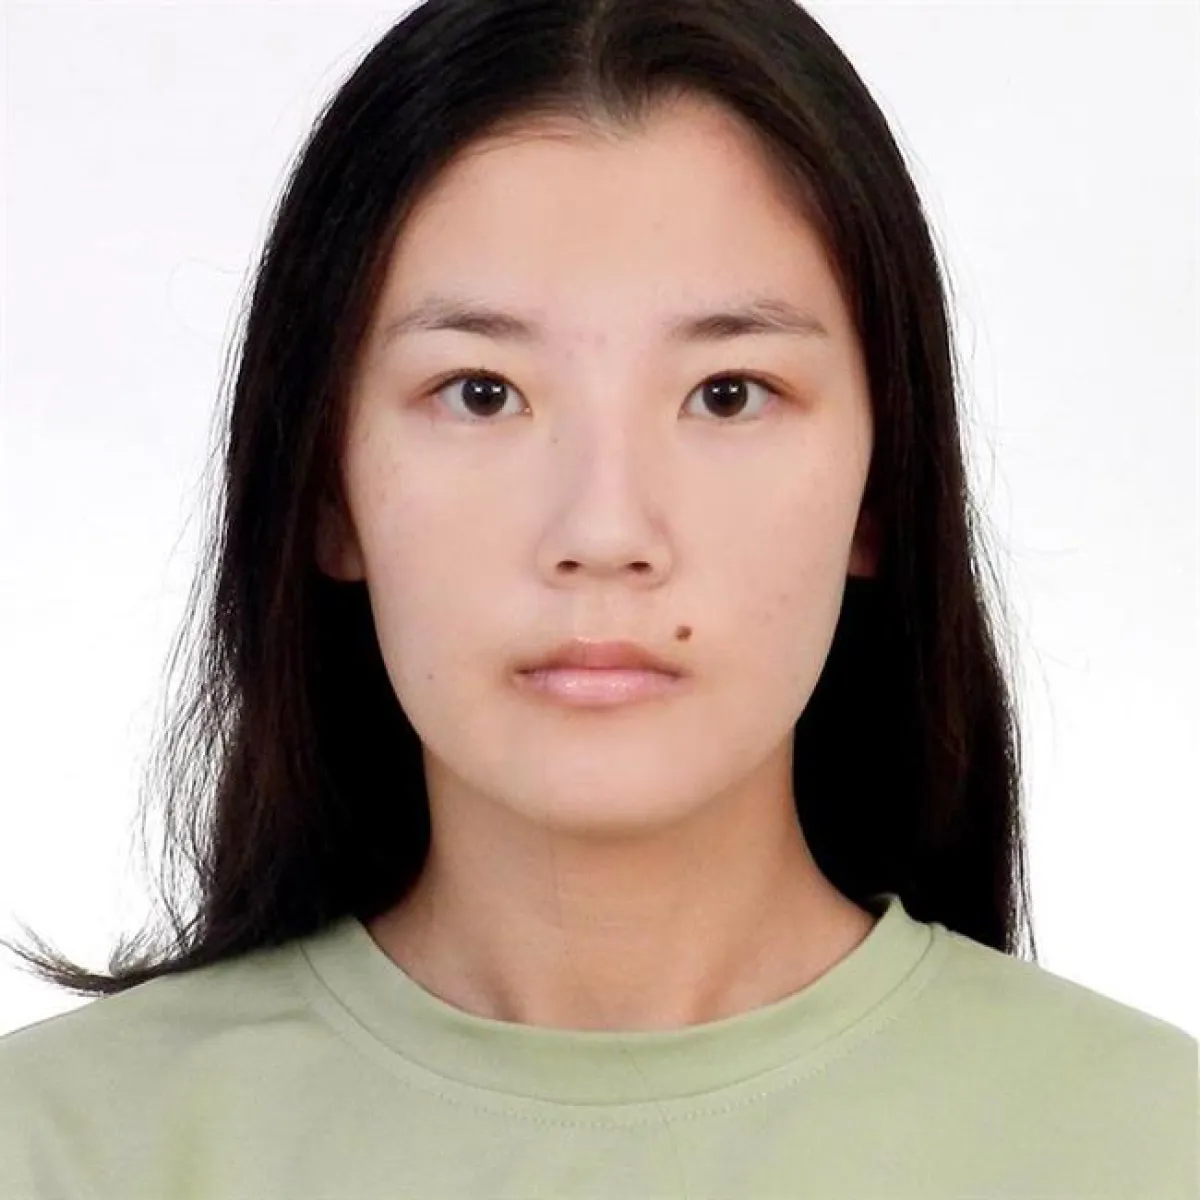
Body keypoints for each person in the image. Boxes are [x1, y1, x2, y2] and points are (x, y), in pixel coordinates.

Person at [1, 0, 1195, 1196]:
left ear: (882, 488)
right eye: (481, 392)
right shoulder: (55, 1148)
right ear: (327, 487)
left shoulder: (1150, 1143)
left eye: (729, 393)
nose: (605, 531)